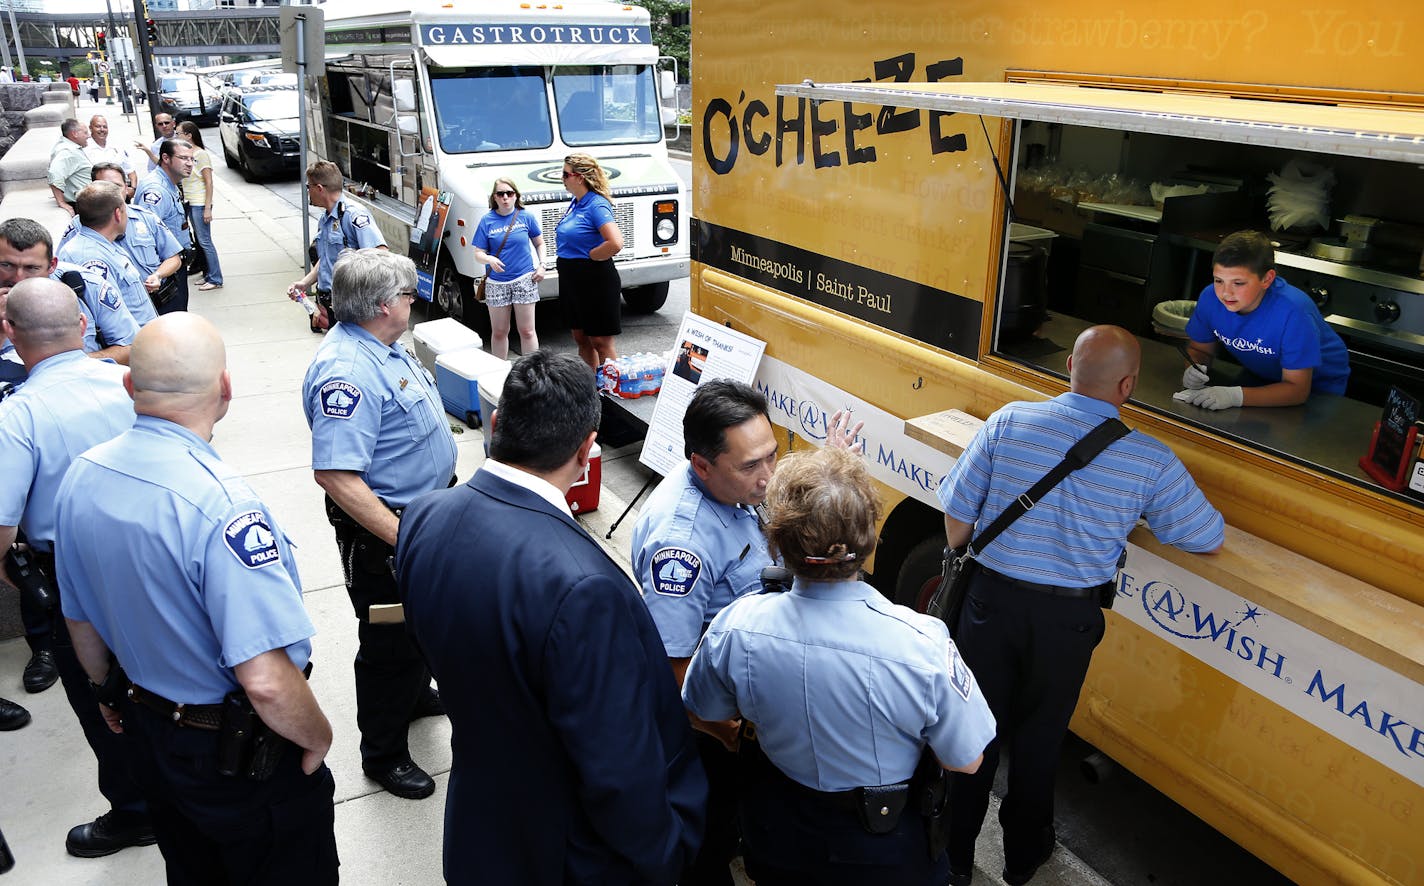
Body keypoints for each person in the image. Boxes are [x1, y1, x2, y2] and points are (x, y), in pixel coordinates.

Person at [395, 349, 707, 884]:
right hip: (562, 852)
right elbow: (618, 769)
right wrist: (666, 856)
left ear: (496, 425)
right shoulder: (584, 589)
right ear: (589, 450)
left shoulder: (423, 516)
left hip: (478, 824)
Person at [53, 313, 339, 884]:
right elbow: (264, 677)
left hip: (150, 730)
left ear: (130, 386)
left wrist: (108, 692)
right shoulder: (223, 506)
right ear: (226, 389)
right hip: (233, 760)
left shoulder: (81, 476)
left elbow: (79, 620)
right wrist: (318, 737)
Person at [938, 325, 1225, 885]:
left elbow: (956, 516)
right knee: (1040, 741)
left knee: (973, 731)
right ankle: (1022, 861)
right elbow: (1205, 535)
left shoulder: (1009, 421)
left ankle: (952, 859)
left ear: (1069, 363)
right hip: (1067, 621)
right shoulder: (1149, 459)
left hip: (989, 604)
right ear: (1129, 385)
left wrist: (971, 554)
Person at [683, 446, 995, 886]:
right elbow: (967, 760)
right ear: (868, 538)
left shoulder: (737, 627)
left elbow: (704, 711)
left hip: (778, 835)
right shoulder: (922, 645)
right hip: (885, 849)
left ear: (778, 541)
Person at [631, 380, 863, 886]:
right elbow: (672, 664)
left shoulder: (730, 486)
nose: (768, 478)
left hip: (751, 685)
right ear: (702, 465)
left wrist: (829, 474)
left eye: (772, 456)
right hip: (717, 728)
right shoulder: (683, 543)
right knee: (709, 837)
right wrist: (727, 732)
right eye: (751, 466)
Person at [0, 277, 154, 858]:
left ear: (10, 334)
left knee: (100, 695)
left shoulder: (18, 416)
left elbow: (1, 524)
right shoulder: (128, 382)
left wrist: (14, 573)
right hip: (148, 557)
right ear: (85, 324)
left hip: (71, 578)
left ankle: (135, 812)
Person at [300, 248, 452, 800]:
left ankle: (413, 697)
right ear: (385, 305)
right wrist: (403, 536)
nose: (415, 302)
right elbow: (338, 477)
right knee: (389, 640)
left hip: (416, 519)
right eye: (410, 295)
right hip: (386, 534)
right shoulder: (348, 372)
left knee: (418, 629)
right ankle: (384, 754)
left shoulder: (379, 345)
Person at [1177, 230, 1350, 410]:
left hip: (1318, 390)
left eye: (1238, 283)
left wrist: (1234, 396)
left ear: (1267, 279)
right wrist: (1195, 367)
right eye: (1219, 280)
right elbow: (1200, 350)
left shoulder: (1293, 312)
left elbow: (1297, 390)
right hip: (1261, 376)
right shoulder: (1210, 298)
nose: (1226, 292)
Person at [0, 217, 138, 364]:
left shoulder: (87, 286)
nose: (18, 278)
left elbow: (131, 347)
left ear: (52, 265)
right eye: (7, 265)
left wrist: (66, 365)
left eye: (32, 268)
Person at [288, 161, 386, 332]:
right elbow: (327, 258)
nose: (307, 191)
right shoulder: (326, 219)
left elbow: (380, 255)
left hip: (349, 304)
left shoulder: (353, 215)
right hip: (330, 302)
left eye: (308, 187)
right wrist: (305, 283)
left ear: (319, 188)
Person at [76, 162, 185, 310]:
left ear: (127, 189)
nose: (111, 192)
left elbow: (174, 258)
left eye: (116, 186)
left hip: (158, 301)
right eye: (104, 186)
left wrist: (158, 275)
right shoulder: (79, 226)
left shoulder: (146, 218)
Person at [58, 181, 158, 326]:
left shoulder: (105, 245)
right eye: (125, 210)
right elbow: (110, 321)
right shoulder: (90, 257)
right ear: (118, 214)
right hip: (131, 344)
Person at [556, 152, 623, 368]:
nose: (562, 178)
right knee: (581, 338)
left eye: (565, 174)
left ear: (579, 177)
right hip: (571, 278)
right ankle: (590, 389)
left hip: (594, 279)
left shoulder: (596, 204)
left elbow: (615, 242)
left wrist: (591, 255)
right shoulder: (577, 202)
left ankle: (610, 394)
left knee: (601, 342)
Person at [473, 177, 544, 359]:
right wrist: (489, 259)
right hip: (497, 282)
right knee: (499, 332)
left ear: (515, 196)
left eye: (509, 193)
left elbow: (539, 243)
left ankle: (532, 372)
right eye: (500, 194)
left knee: (527, 330)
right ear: (494, 198)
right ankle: (499, 372)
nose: (505, 197)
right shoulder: (487, 220)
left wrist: (542, 265)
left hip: (524, 279)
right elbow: (478, 253)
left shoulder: (526, 217)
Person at [133, 138, 195, 314]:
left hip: (175, 266)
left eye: (191, 159)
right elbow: (146, 234)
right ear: (166, 158)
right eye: (183, 158)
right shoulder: (156, 190)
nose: (189, 164)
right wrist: (158, 274)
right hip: (165, 271)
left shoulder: (170, 184)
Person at [177, 121, 222, 292]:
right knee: (199, 240)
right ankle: (209, 274)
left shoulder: (201, 154)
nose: (177, 135)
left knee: (205, 241)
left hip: (199, 202)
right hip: (190, 201)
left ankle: (215, 277)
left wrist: (207, 207)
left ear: (189, 135)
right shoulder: (187, 154)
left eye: (179, 133)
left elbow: (209, 182)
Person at [84, 115, 137, 197]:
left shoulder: (117, 146)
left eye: (104, 127)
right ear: (90, 128)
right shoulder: (85, 149)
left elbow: (131, 171)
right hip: (98, 195)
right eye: (98, 126)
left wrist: (133, 188)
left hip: (120, 193)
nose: (102, 130)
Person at [48, 119, 92, 216]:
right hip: (81, 206)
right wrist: (61, 202)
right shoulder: (68, 151)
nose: (89, 136)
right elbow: (54, 174)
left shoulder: (68, 147)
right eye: (85, 132)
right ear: (75, 134)